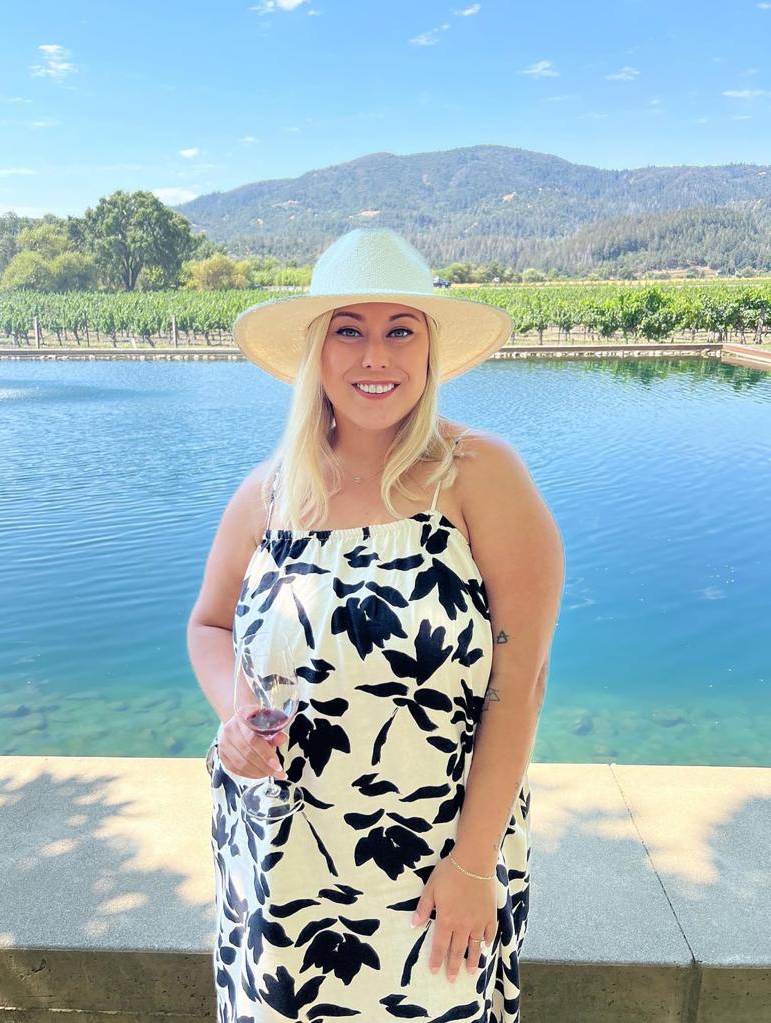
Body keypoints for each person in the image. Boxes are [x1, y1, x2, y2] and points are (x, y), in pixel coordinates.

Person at [187, 226, 564, 1023]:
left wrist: (472, 863)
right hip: (279, 855)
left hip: (432, 863)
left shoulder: (480, 475)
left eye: (400, 331)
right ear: (316, 351)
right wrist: (234, 716)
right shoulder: (270, 490)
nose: (375, 357)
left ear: (429, 351)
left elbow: (519, 682)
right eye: (349, 331)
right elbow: (210, 625)